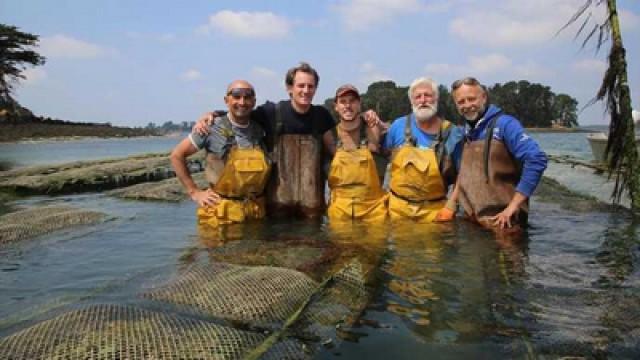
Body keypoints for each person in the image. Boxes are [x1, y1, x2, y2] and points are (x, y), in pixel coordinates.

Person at [194, 62, 381, 219]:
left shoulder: (322, 116)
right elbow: (240, 111)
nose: (306, 90)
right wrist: (213, 114)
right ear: (289, 88)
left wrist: (365, 116)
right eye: (301, 85)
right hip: (275, 212)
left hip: (312, 212)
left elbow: (345, 137)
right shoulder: (270, 113)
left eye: (310, 86)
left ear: (315, 88)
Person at [450, 76, 547, 231]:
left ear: (483, 98)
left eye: (471, 99)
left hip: (504, 223)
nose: (467, 105)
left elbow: (536, 159)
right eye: (461, 102)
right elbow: (461, 174)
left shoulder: (505, 124)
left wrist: (513, 206)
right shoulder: (463, 132)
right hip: (473, 222)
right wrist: (451, 205)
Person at [170, 80, 271, 228]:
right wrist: (195, 192)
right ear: (226, 100)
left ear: (254, 101)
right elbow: (176, 155)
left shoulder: (259, 129)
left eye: (247, 97)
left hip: (254, 214)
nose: (242, 102)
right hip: (221, 216)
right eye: (236, 96)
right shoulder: (210, 127)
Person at [381, 77, 464, 223]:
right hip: (397, 212)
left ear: (436, 99)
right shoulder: (397, 126)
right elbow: (383, 156)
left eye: (428, 95)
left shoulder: (452, 132)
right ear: (412, 101)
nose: (423, 100)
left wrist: (451, 206)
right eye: (418, 96)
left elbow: (463, 175)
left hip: (435, 213)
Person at [327, 84, 387, 222]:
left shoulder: (373, 129)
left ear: (359, 104)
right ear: (336, 106)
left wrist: (377, 120)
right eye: (343, 102)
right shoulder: (329, 136)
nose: (348, 106)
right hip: (340, 213)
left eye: (352, 101)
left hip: (374, 213)